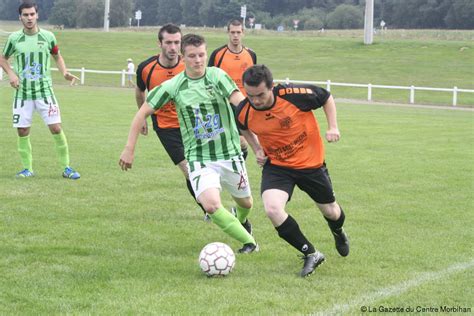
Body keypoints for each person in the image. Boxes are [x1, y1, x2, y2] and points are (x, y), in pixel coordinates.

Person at [119, 34, 258, 254]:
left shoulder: (217, 76)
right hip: (198, 157)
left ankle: (241, 221)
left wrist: (258, 139)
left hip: (229, 152)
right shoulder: (174, 86)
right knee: (211, 204)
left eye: (201, 55)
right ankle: (249, 242)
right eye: (192, 56)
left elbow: (240, 105)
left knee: (246, 204)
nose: (198, 60)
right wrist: (129, 148)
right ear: (183, 57)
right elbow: (142, 113)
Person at [236, 65, 350, 277]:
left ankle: (338, 231)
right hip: (278, 167)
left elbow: (325, 97)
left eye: (260, 95)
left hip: (311, 165)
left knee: (331, 211)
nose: (256, 101)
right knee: (272, 209)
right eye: (250, 95)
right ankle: (311, 253)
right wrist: (257, 149)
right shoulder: (244, 109)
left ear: (272, 87)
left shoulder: (293, 95)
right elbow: (242, 126)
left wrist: (333, 126)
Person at [0, 1, 80, 179]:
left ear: (37, 15)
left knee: (56, 128)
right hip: (22, 93)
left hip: (45, 92)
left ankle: (66, 168)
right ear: (20, 17)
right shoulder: (14, 39)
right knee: (22, 131)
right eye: (25, 15)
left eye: (31, 14)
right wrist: (11, 74)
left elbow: (57, 56)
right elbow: (3, 58)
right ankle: (27, 169)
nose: (29, 18)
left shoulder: (48, 36)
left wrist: (65, 72)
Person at [135, 24, 207, 214]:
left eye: (177, 42)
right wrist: (142, 117)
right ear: (160, 43)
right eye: (168, 42)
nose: (173, 47)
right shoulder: (146, 68)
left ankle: (210, 205)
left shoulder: (189, 63)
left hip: (193, 125)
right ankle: (209, 209)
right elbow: (140, 91)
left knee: (201, 168)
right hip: (166, 127)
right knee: (188, 170)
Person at [208, 19, 257, 161]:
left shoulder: (251, 54)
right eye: (232, 32)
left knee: (242, 142)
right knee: (223, 141)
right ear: (228, 33)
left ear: (243, 33)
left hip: (243, 104)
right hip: (222, 104)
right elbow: (209, 78)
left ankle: (240, 166)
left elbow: (254, 79)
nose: (235, 36)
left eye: (238, 32)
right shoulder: (218, 54)